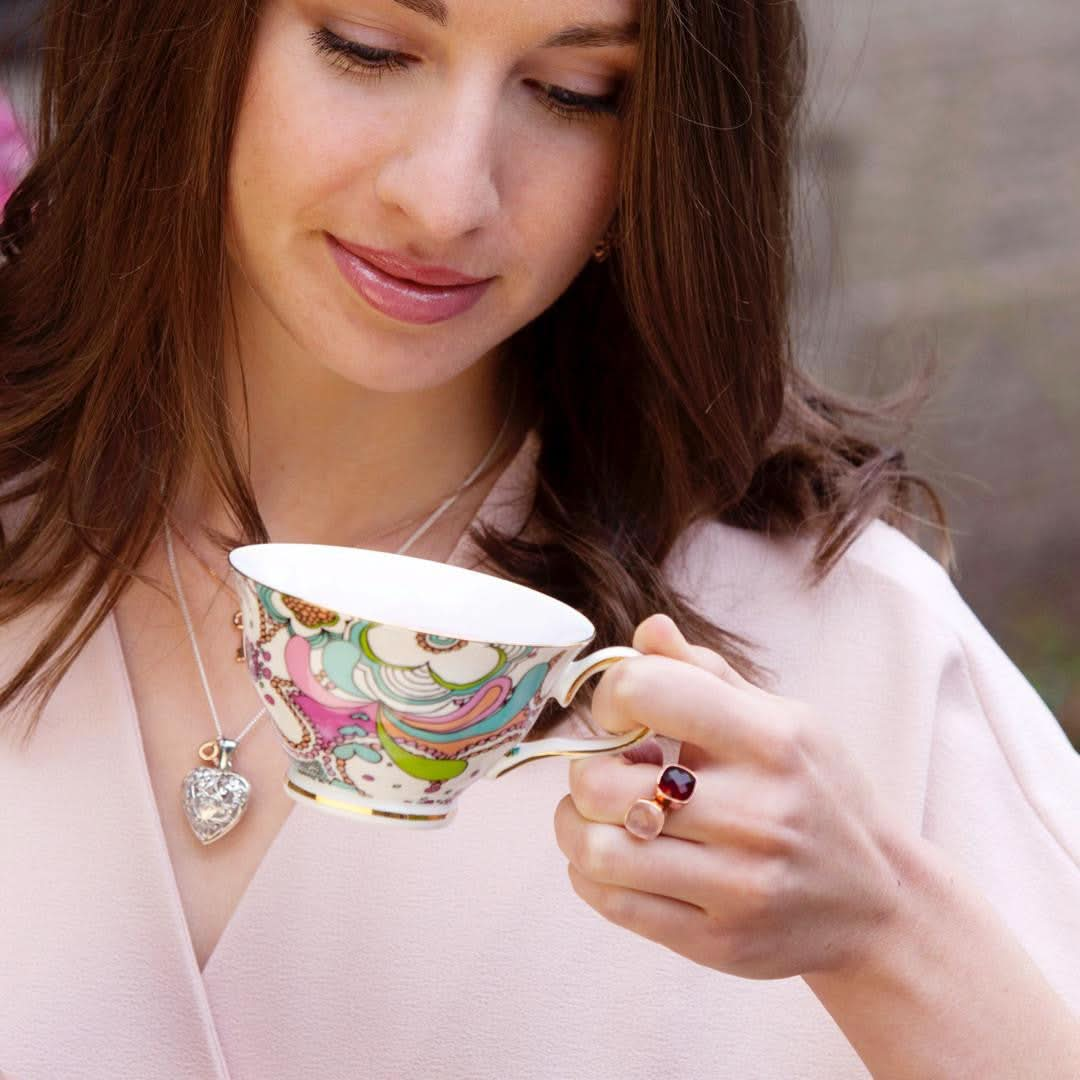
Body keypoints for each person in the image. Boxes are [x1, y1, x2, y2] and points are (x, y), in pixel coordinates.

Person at [1, 1, 1078, 1077]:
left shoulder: (846, 663)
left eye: (576, 93)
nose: (447, 199)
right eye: (366, 49)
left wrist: (883, 936)